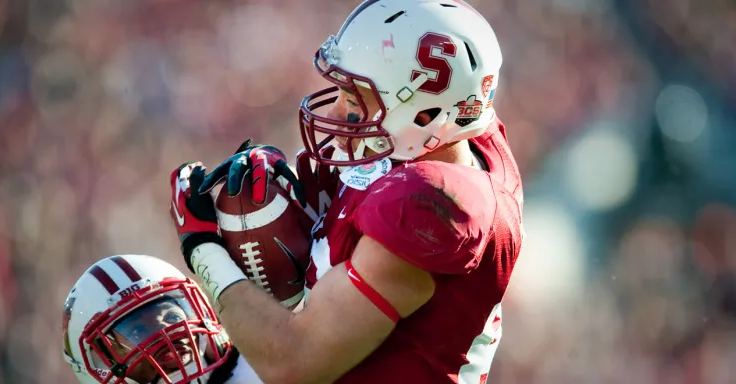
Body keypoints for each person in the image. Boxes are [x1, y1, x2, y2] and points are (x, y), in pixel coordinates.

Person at [170, 1, 524, 383]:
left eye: (354, 100)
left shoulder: (432, 203)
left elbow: (292, 364)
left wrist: (204, 251)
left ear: (424, 115)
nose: (338, 114)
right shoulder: (442, 139)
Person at [61, 254, 262, 383]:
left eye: (172, 316)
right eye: (137, 332)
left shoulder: (262, 370)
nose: (168, 334)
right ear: (101, 366)